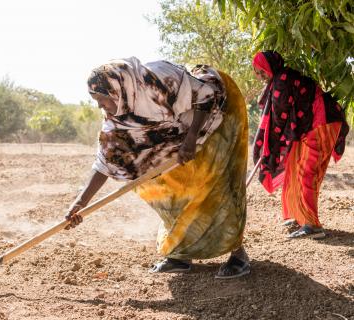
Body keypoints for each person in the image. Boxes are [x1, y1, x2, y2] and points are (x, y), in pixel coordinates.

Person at [65, 57, 250, 279]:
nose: (100, 106)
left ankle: (237, 254)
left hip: (216, 110)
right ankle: (179, 255)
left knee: (214, 180)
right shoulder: (115, 117)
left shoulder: (158, 80)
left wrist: (191, 140)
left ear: (117, 91)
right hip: (175, 134)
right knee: (164, 186)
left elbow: (205, 95)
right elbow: (105, 160)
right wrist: (80, 202)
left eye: (102, 100)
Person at [252, 51, 349, 239]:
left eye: (261, 71)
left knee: (307, 171)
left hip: (321, 122)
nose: (260, 75)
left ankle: (312, 225)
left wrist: (269, 150)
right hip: (311, 125)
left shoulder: (282, 80)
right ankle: (298, 215)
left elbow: (279, 120)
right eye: (257, 72)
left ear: (270, 66)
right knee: (294, 169)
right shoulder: (282, 78)